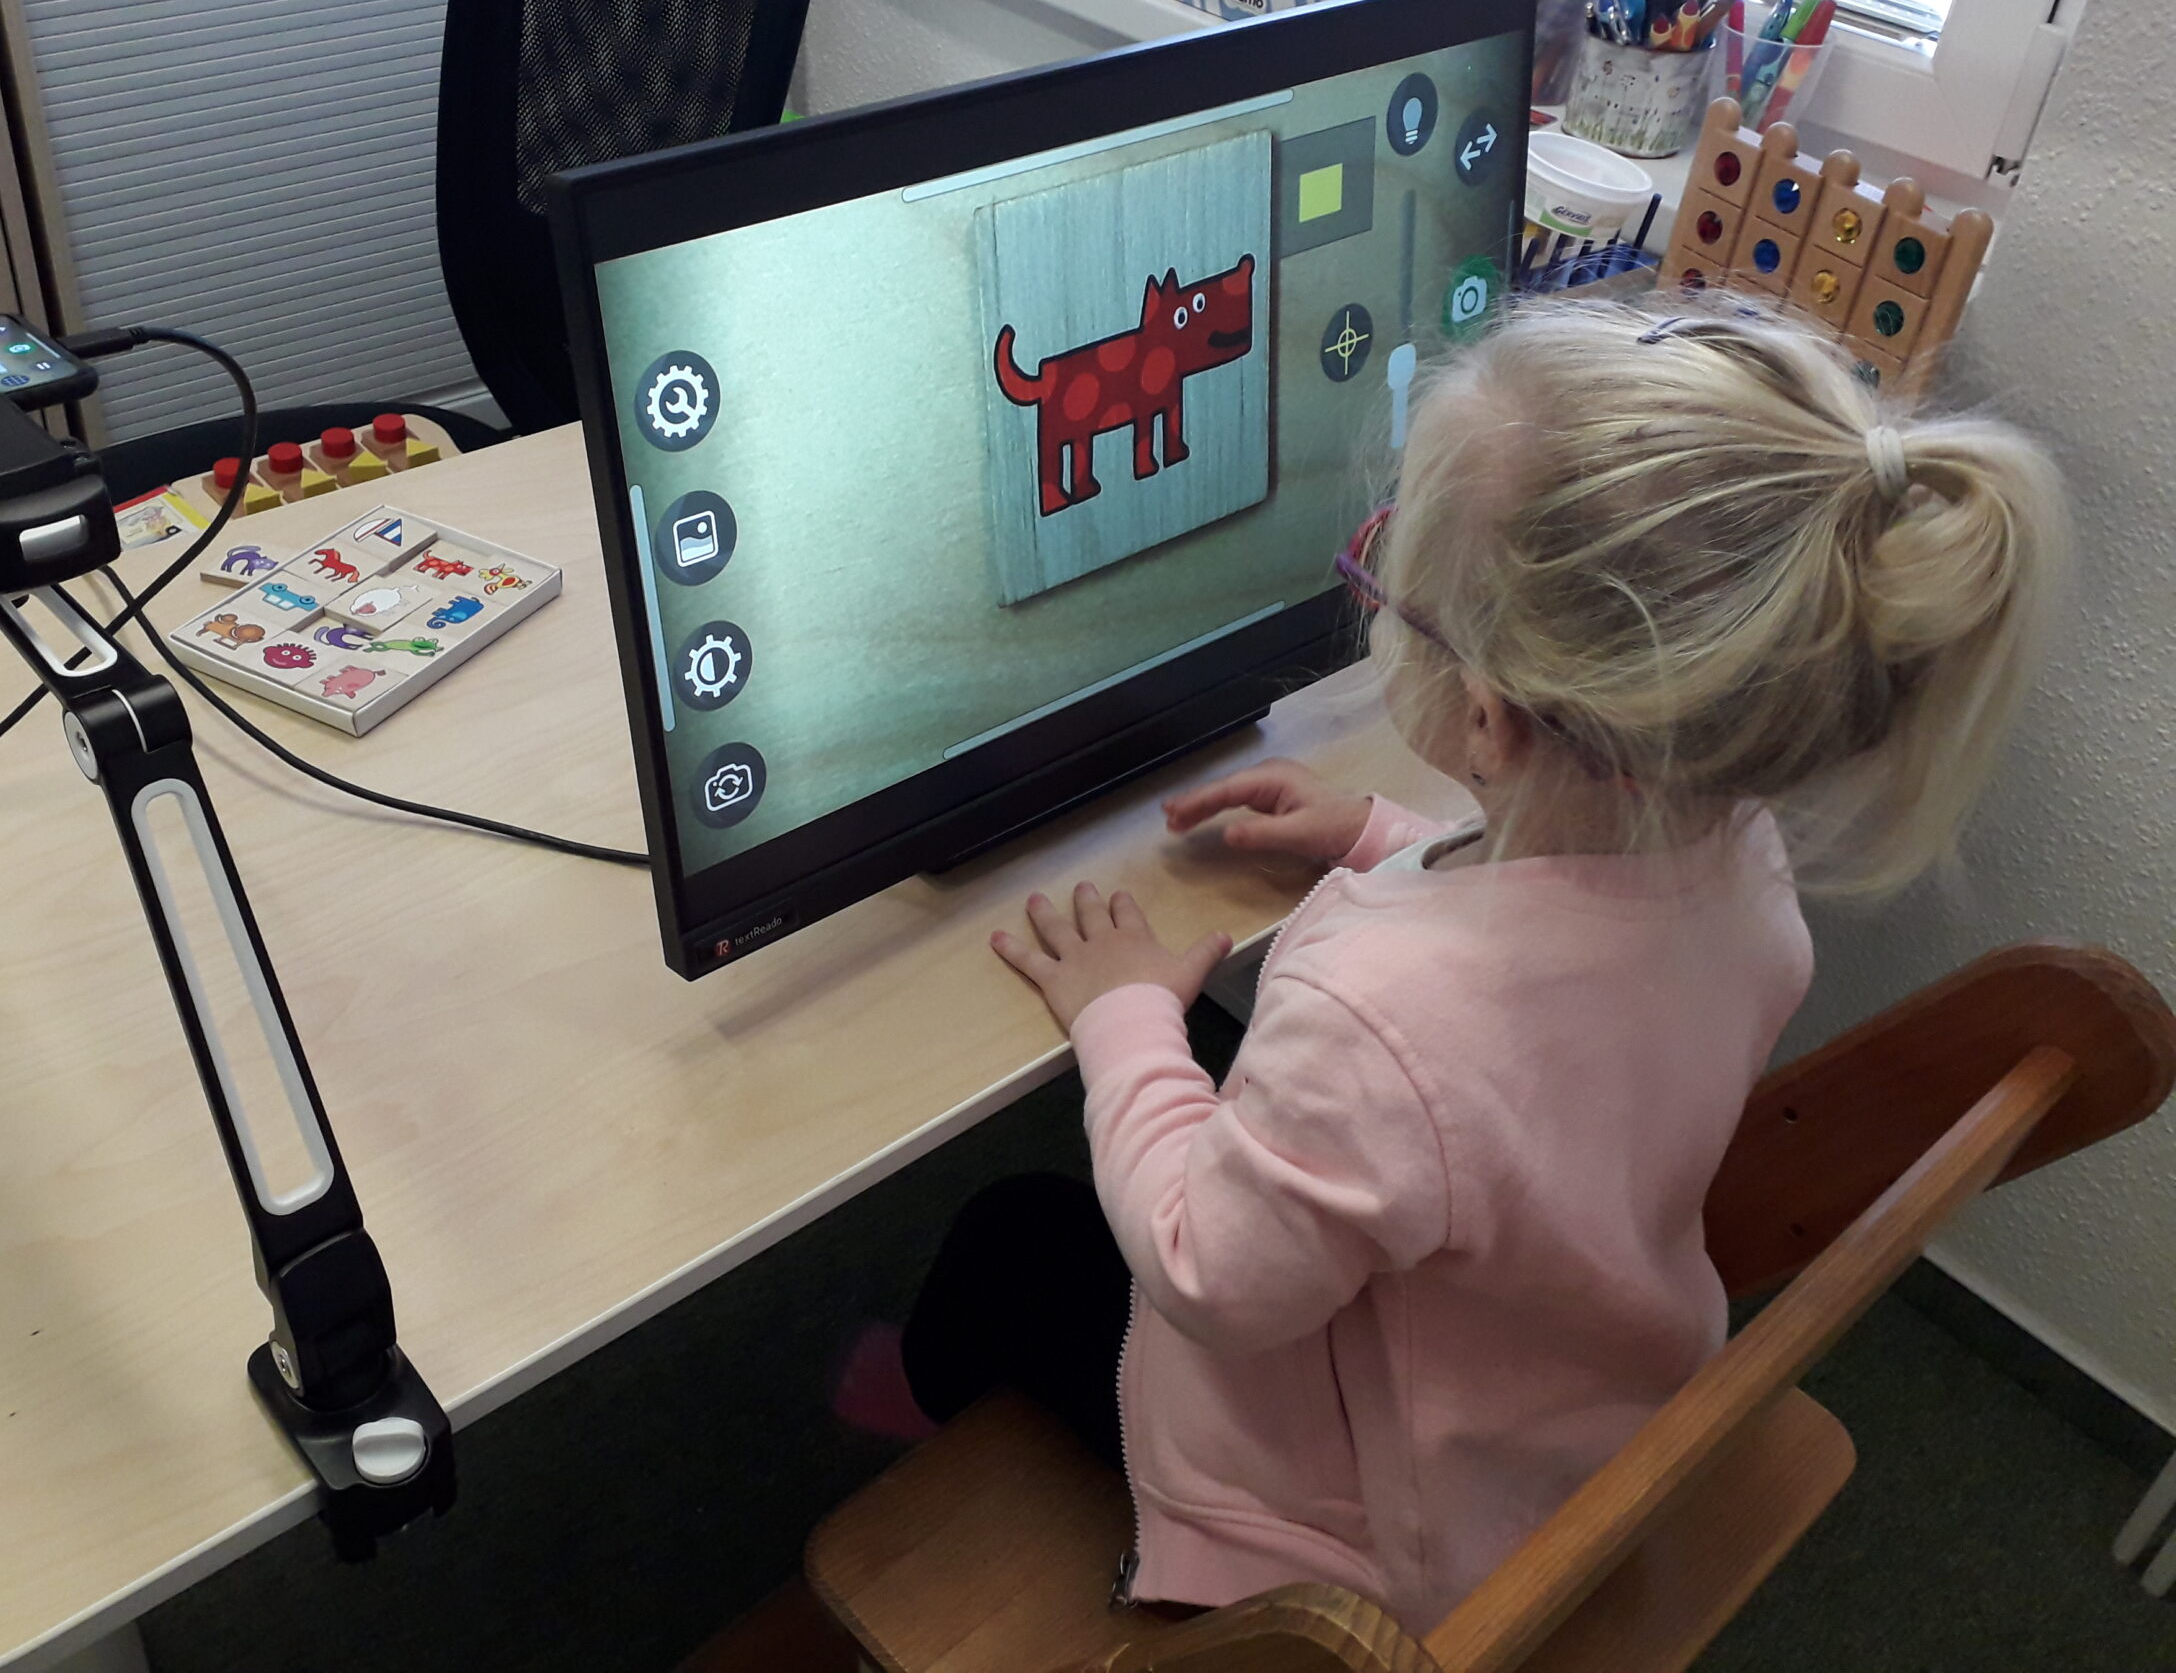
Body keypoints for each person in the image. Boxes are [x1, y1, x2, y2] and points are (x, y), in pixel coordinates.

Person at [850, 296, 2068, 1632]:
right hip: (1561, 1408)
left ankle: (925, 1426)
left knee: (1012, 1239)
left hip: (1357, 1537)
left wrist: (1128, 1015)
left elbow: (1210, 1275)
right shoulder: (1744, 867)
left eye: (1388, 584)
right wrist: (1383, 838)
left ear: (1486, 719)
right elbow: (1564, 947)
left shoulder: (1381, 1020)